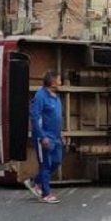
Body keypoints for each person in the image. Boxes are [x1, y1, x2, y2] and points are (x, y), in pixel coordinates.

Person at [24, 70, 63, 204]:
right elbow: (35, 117)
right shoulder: (40, 96)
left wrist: (61, 134)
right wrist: (41, 137)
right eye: (59, 80)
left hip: (56, 137)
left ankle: (35, 181)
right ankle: (46, 194)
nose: (60, 82)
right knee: (45, 165)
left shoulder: (56, 97)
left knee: (57, 161)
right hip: (45, 138)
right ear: (52, 82)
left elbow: (57, 118)